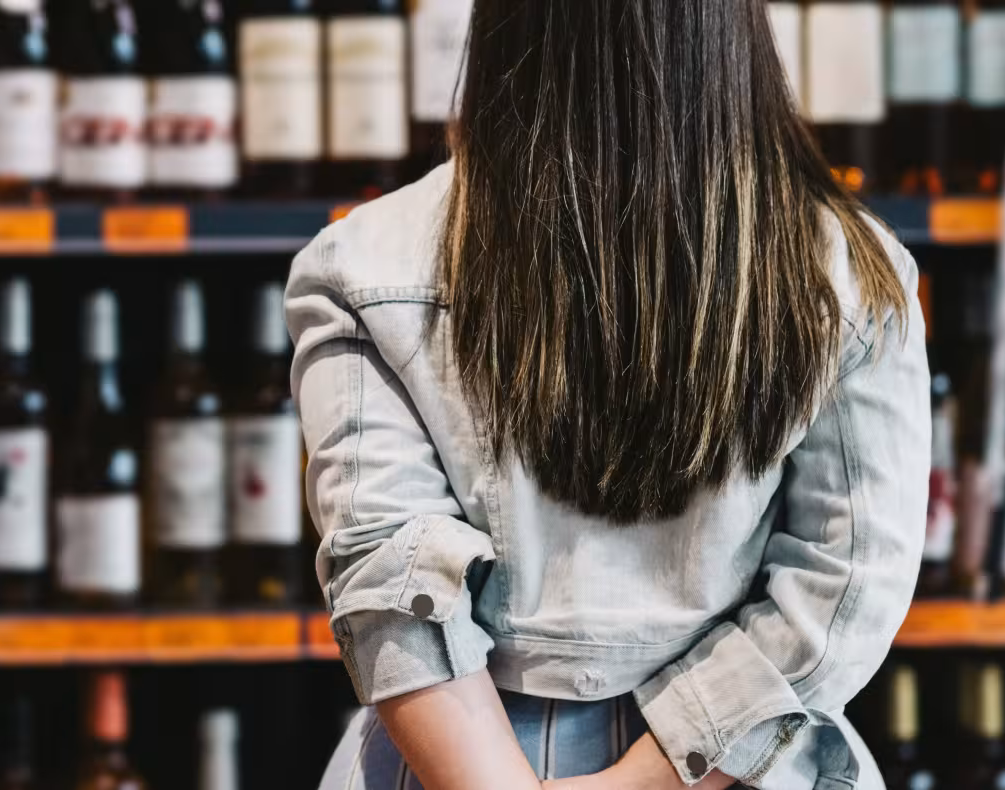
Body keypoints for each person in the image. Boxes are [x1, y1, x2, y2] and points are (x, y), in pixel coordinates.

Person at [290, 1, 930, 787]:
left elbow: (389, 584)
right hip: (739, 767)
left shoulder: (361, 261)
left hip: (448, 759)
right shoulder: (853, 270)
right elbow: (847, 589)